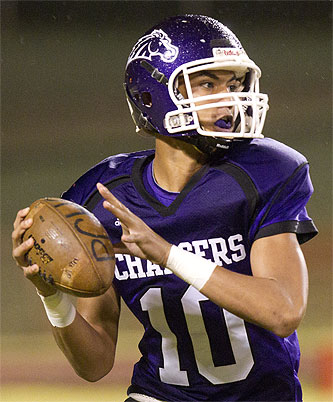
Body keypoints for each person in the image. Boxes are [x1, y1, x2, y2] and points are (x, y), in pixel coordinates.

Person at [12, 14, 318, 402]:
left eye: (234, 83)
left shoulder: (265, 172)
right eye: (208, 83)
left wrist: (166, 253)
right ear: (151, 97)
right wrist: (51, 295)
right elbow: (95, 364)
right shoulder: (104, 196)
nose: (229, 99)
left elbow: (283, 311)